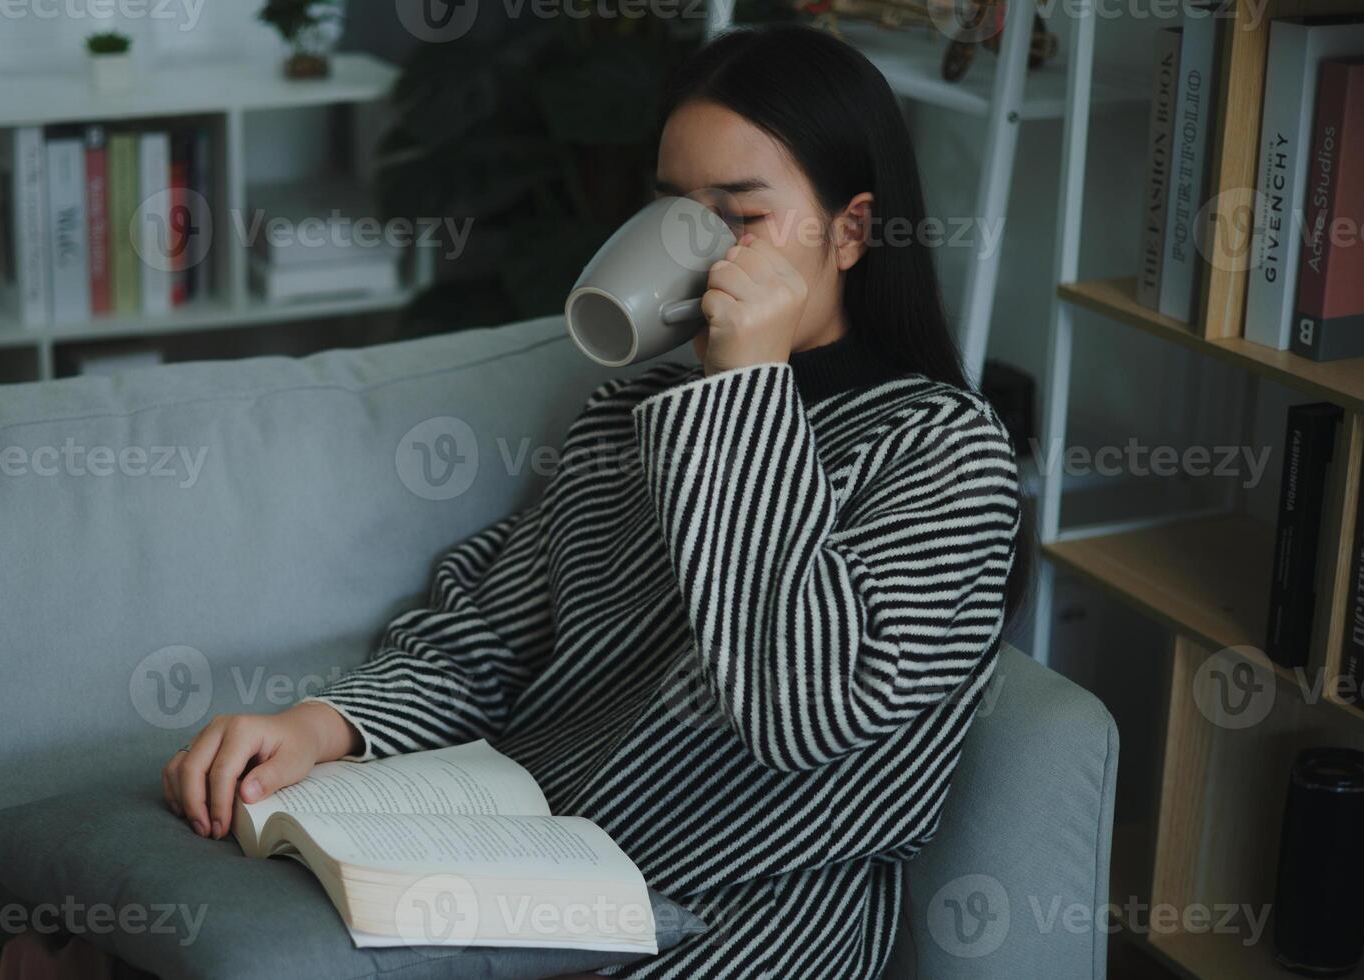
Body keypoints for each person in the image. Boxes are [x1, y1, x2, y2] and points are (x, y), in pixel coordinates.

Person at [161, 23, 1025, 978]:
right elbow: (488, 638)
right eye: (671, 214)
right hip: (532, 865)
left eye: (736, 218)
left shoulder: (941, 450)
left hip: (742, 912)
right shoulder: (632, 414)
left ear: (851, 231)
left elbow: (801, 715)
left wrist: (741, 394)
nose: (697, 256)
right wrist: (316, 728)